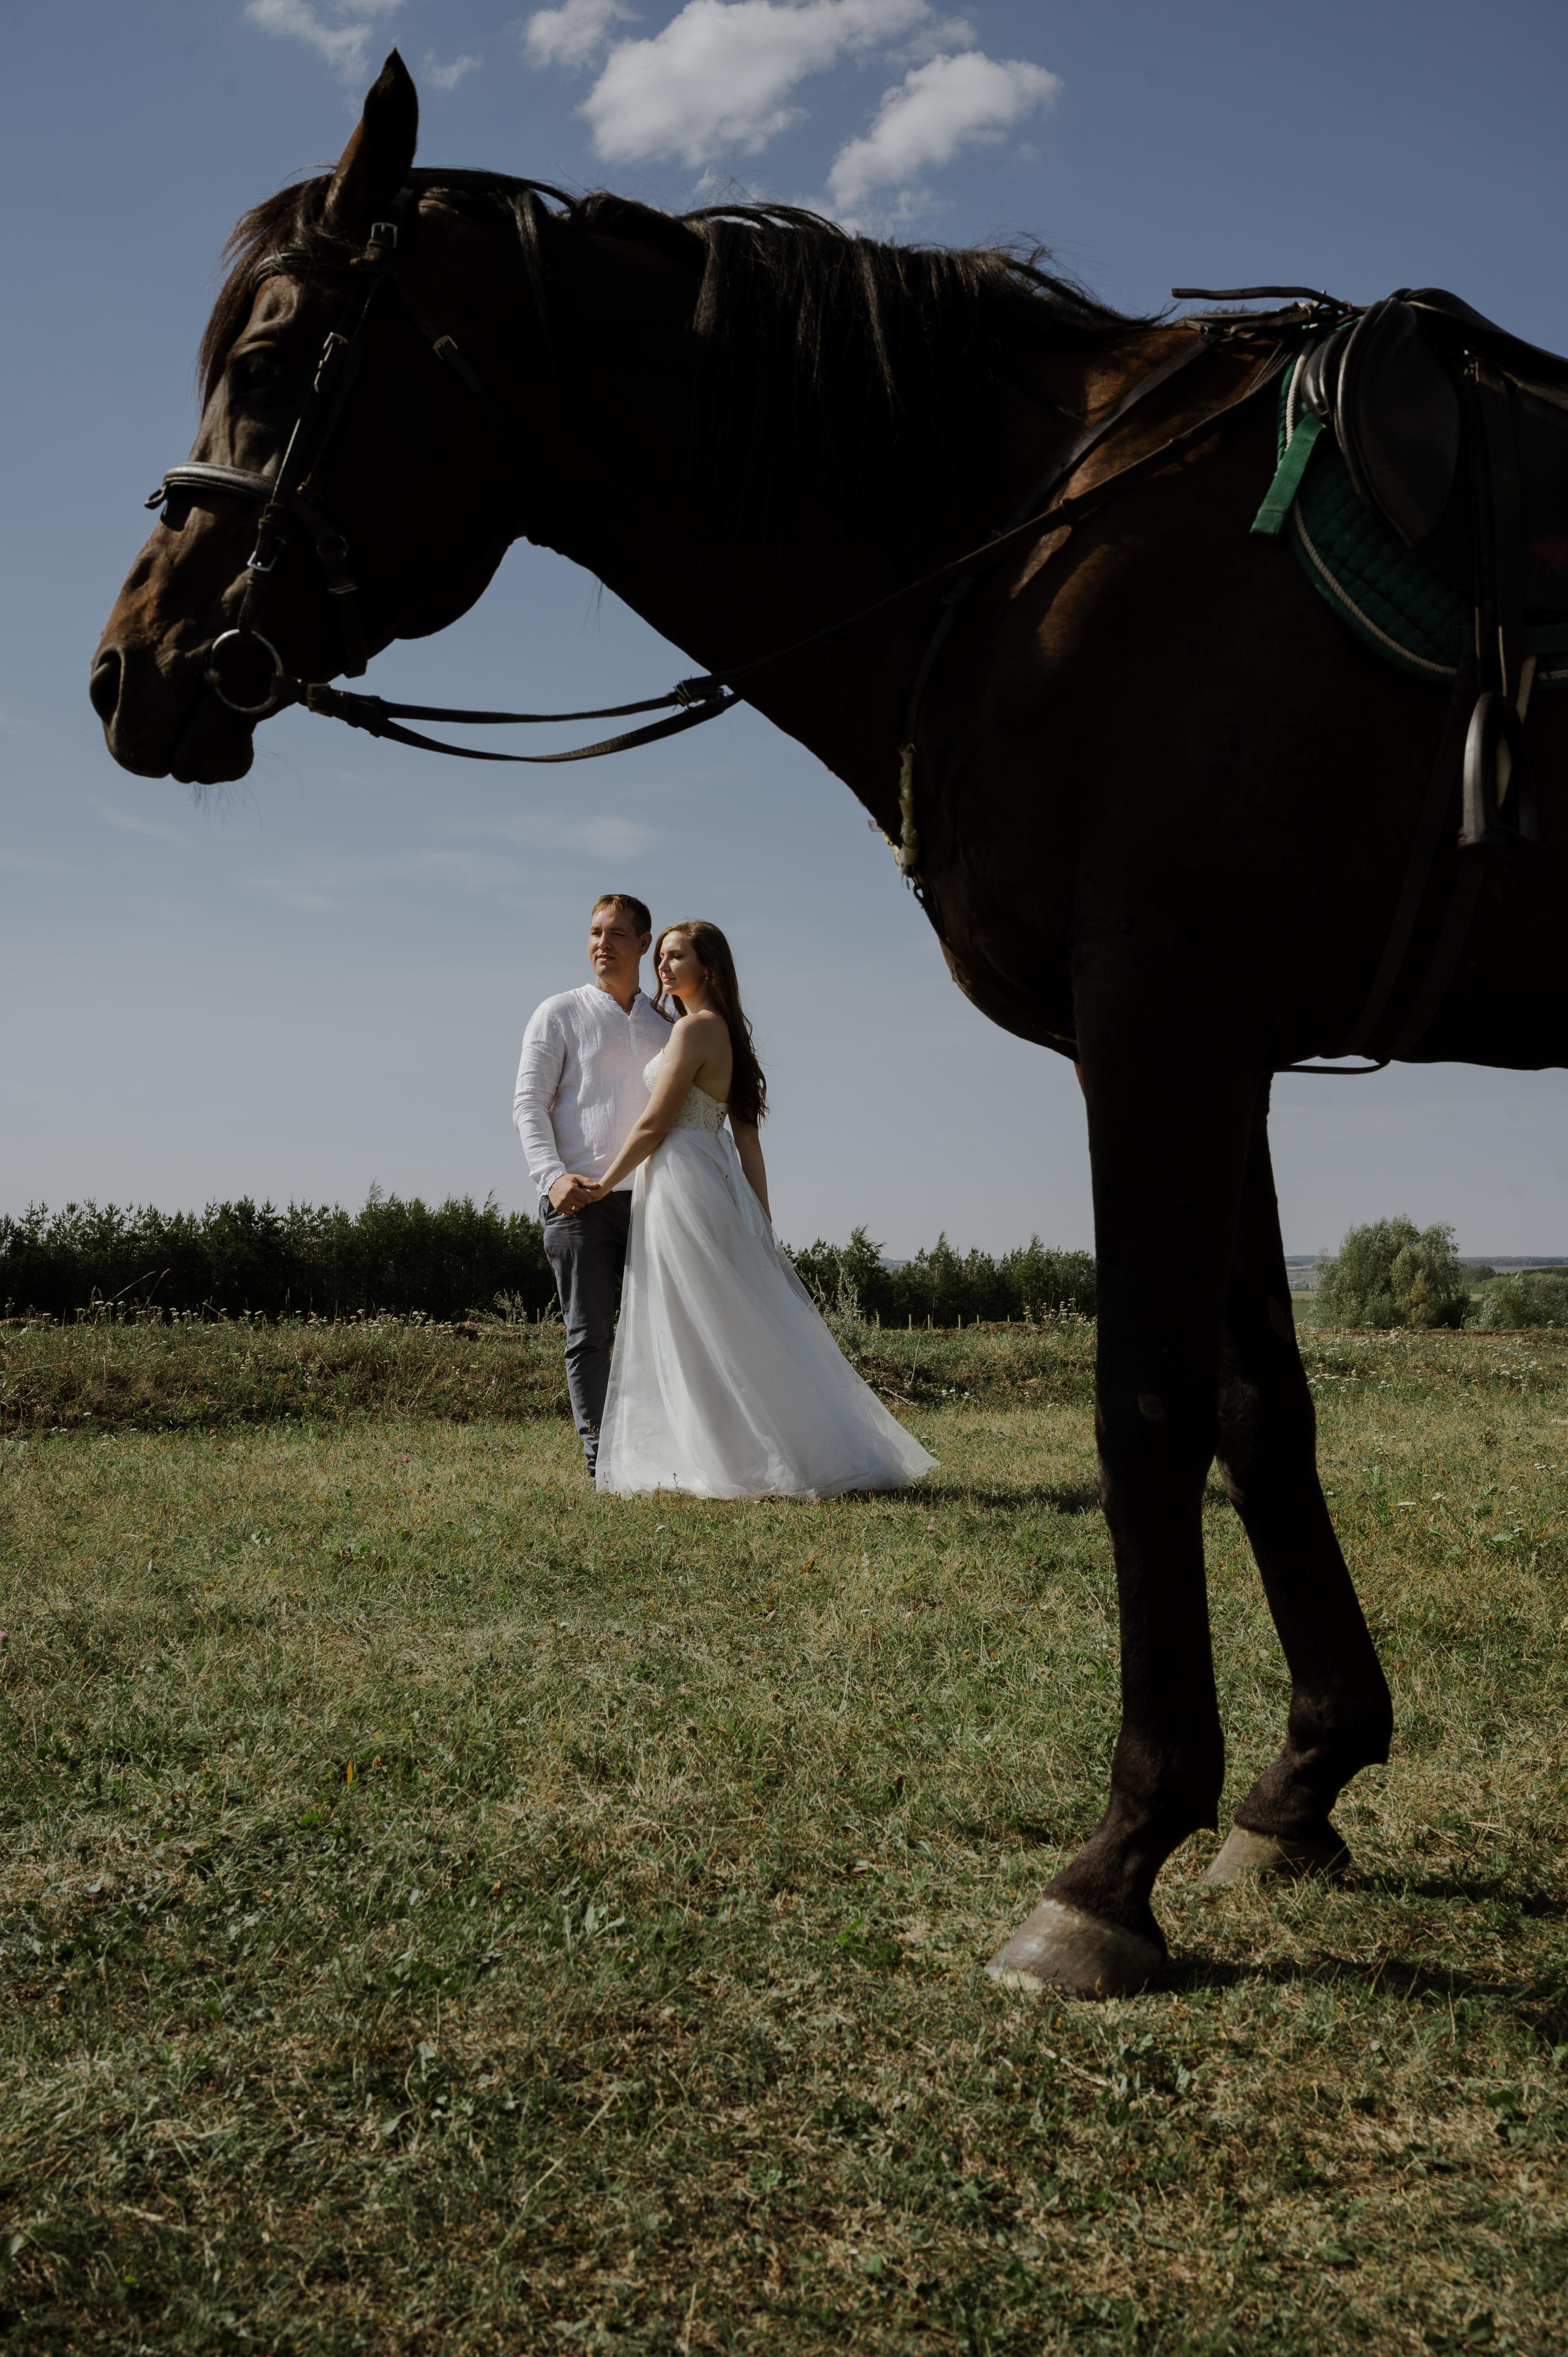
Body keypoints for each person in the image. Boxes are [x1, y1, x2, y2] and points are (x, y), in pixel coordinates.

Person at [584, 920, 936, 1499]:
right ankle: (742, 1446)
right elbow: (748, 1140)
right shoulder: (727, 1034)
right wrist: (759, 1219)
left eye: (676, 957)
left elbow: (654, 1123)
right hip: (712, 1181)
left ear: (708, 967)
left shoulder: (694, 1030)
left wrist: (603, 1183)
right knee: (725, 1320)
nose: (663, 968)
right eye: (662, 958)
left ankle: (726, 1457)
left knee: (693, 1321)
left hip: (682, 1181)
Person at [513, 894, 672, 1478]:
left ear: (645, 944)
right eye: (595, 932)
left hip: (657, 1202)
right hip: (580, 1201)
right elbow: (528, 1106)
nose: (603, 943)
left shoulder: (667, 1025)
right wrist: (552, 1180)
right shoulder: (557, 1012)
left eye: (618, 933)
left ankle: (659, 1450)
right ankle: (602, 1462)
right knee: (591, 1335)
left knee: (663, 1333)